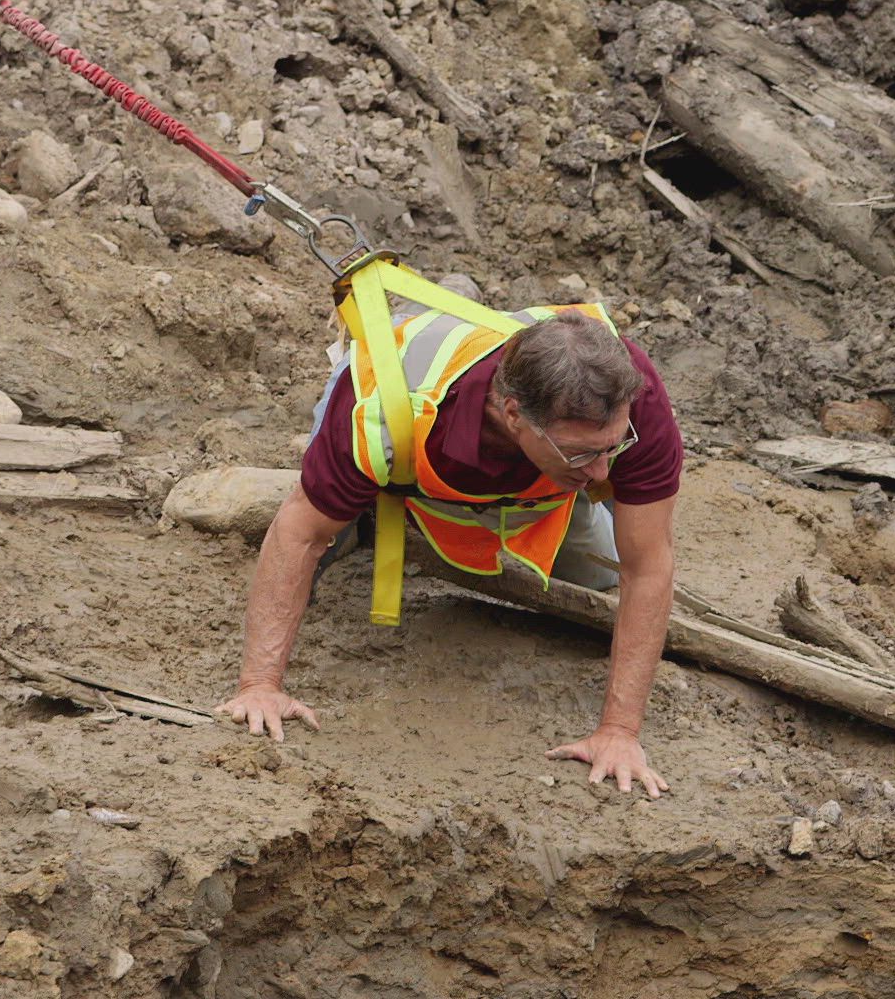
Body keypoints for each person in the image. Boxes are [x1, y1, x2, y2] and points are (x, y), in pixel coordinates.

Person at [217, 303, 682, 799]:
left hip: (530, 485)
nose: (602, 474)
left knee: (595, 571)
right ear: (512, 414)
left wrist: (619, 732)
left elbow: (647, 566)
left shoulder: (631, 397)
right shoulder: (384, 402)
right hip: (408, 428)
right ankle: (362, 506)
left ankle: (399, 501)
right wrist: (259, 685)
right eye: (582, 453)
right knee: (332, 504)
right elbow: (298, 534)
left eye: (612, 447)